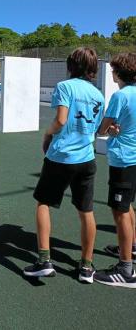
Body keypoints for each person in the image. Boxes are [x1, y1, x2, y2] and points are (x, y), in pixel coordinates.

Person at [23, 47, 104, 283]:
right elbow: (97, 128)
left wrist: (47, 135)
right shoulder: (98, 94)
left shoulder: (65, 87)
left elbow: (61, 119)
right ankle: (87, 267)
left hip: (61, 157)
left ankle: (44, 260)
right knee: (86, 212)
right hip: (87, 159)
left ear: (71, 66)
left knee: (43, 203)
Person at [93, 53, 136, 288]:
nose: (111, 73)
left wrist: (109, 129)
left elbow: (102, 128)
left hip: (124, 159)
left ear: (119, 73)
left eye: (113, 70)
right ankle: (131, 247)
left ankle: (126, 269)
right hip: (134, 159)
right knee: (127, 206)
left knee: (119, 211)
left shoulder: (120, 96)